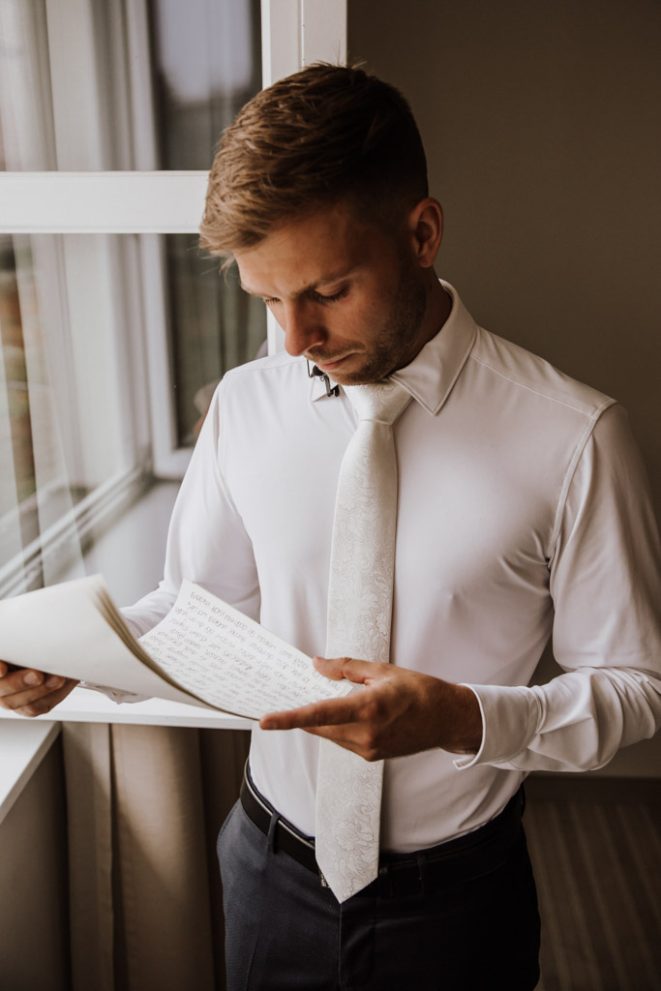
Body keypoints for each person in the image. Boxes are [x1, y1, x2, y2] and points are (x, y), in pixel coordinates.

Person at [2, 63, 661, 990]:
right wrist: (74, 663)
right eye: (267, 301)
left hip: (460, 901)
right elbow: (196, 613)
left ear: (422, 233)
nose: (294, 339)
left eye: (325, 290)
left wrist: (458, 715)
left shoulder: (575, 435)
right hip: (265, 872)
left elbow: (635, 688)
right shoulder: (244, 405)